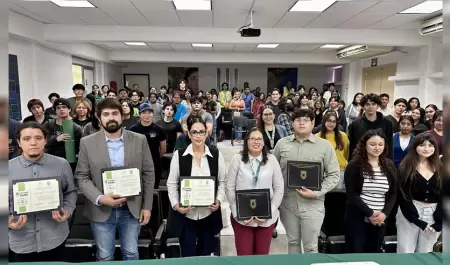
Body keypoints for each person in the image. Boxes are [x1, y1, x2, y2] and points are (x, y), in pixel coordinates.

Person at [74, 98, 155, 261]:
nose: (111, 117)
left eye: (115, 113)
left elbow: (148, 173)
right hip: (101, 209)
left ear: (122, 115)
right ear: (99, 117)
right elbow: (81, 177)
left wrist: (147, 206)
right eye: (106, 114)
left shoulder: (139, 140)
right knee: (104, 255)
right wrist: (100, 198)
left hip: (131, 208)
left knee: (132, 253)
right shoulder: (87, 143)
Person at [273, 109, 340, 253]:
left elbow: (334, 175)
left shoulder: (324, 146)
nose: (301, 123)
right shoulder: (282, 144)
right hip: (288, 203)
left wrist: (317, 192)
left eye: (306, 120)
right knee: (293, 242)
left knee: (311, 246)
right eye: (297, 120)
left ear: (313, 123)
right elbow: (274, 172)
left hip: (313, 204)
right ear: (292, 123)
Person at [8, 122, 77, 262]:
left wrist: (68, 212)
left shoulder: (61, 164)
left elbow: (70, 192)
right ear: (19, 142)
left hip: (54, 237)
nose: (33, 143)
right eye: (26, 139)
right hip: (20, 240)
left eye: (38, 138)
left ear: (45, 140)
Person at [166, 115, 226, 257]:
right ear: (189, 134)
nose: (198, 136)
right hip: (187, 216)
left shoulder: (216, 154)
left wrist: (218, 200)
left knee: (206, 256)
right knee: (189, 257)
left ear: (206, 133)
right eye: (194, 132)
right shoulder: (179, 155)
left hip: (208, 215)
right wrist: (176, 205)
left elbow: (222, 182)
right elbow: (172, 183)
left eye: (201, 132)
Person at [226, 128, 284, 255]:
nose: (256, 142)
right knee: (244, 257)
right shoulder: (238, 159)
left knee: (262, 258)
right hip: (242, 219)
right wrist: (237, 213)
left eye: (259, 139)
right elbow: (229, 187)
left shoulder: (272, 160)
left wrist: (270, 211)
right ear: (247, 141)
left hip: (266, 219)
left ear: (264, 142)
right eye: (252, 139)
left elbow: (279, 189)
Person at [344, 130, 397, 253]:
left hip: (381, 220)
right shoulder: (354, 165)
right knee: (356, 253)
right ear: (365, 145)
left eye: (380, 144)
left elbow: (393, 193)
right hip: (358, 218)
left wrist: (384, 213)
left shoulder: (389, 165)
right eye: (372, 144)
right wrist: (370, 213)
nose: (377, 148)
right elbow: (351, 194)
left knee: (375, 252)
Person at [397, 133, 443, 253]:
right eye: (422, 145)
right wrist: (415, 219)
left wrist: (439, 220)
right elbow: (403, 195)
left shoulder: (440, 167)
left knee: (426, 252)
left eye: (430, 145)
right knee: (405, 251)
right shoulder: (405, 166)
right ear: (415, 146)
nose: (427, 149)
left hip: (433, 213)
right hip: (410, 211)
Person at [129, 103, 167, 189]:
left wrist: (154, 157)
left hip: (155, 163)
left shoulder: (159, 130)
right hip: (138, 163)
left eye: (149, 112)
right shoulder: (133, 130)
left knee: (154, 188)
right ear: (139, 114)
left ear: (153, 114)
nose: (147, 115)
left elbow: (163, 149)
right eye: (144, 112)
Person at [348, 93, 394, 160]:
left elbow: (389, 144)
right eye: (367, 104)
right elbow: (352, 145)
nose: (370, 107)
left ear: (378, 106)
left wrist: (389, 163)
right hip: (360, 160)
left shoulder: (387, 123)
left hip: (381, 160)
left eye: (373, 104)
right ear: (363, 106)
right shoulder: (356, 124)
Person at [42, 98, 82, 171]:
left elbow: (81, 147)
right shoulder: (49, 124)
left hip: (71, 164)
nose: (61, 110)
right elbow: (42, 142)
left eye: (64, 107)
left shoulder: (76, 127)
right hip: (52, 162)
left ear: (69, 109)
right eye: (58, 108)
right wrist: (56, 139)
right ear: (55, 110)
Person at [317, 112, 349, 189]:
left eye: (333, 121)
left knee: (336, 196)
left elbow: (346, 153)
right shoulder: (317, 137)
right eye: (328, 121)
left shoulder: (343, 136)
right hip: (323, 172)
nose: (331, 124)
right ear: (324, 121)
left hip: (339, 170)